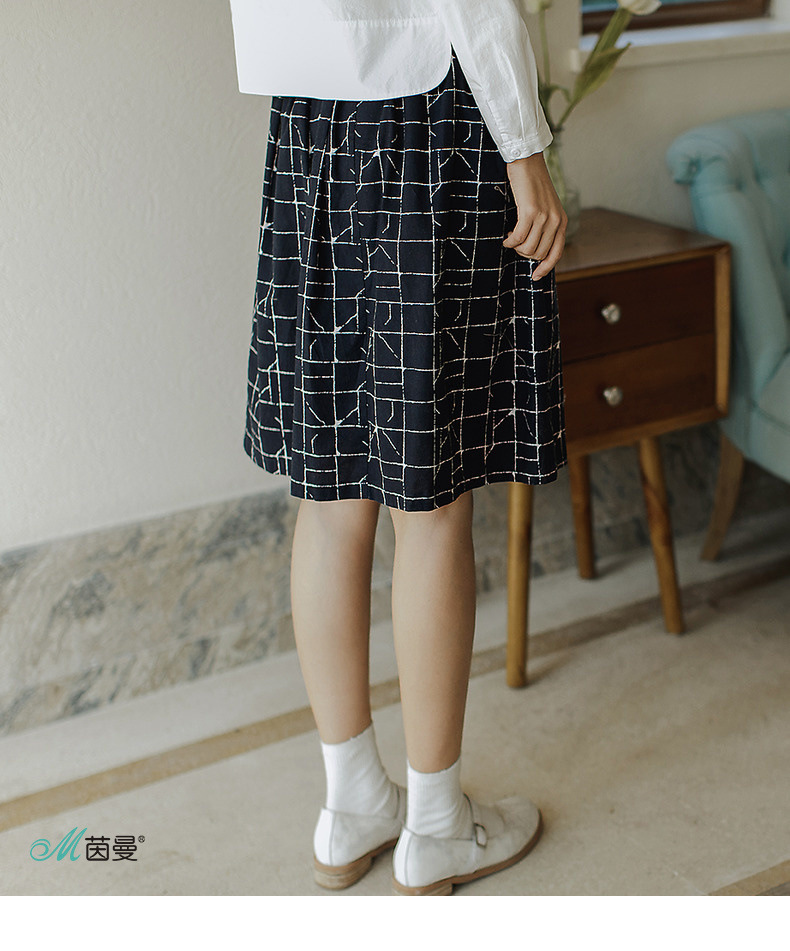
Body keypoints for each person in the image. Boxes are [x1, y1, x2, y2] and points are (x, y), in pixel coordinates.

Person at [229, 0, 568, 895]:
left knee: (330, 491)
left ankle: (351, 803)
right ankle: (437, 825)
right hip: (429, 116)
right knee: (432, 498)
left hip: (310, 124)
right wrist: (525, 150)